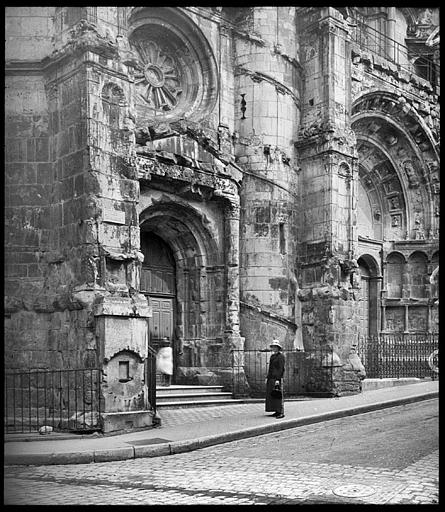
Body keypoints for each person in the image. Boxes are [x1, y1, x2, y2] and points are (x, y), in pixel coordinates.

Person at [265, 339, 285, 419]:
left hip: (277, 378)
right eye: (273, 347)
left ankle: (280, 411)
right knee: (272, 394)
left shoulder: (281, 357)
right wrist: (267, 377)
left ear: (278, 348)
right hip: (271, 378)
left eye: (275, 347)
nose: (273, 348)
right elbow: (270, 368)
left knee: (278, 395)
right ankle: (275, 410)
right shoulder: (272, 356)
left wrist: (278, 379)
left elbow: (281, 369)